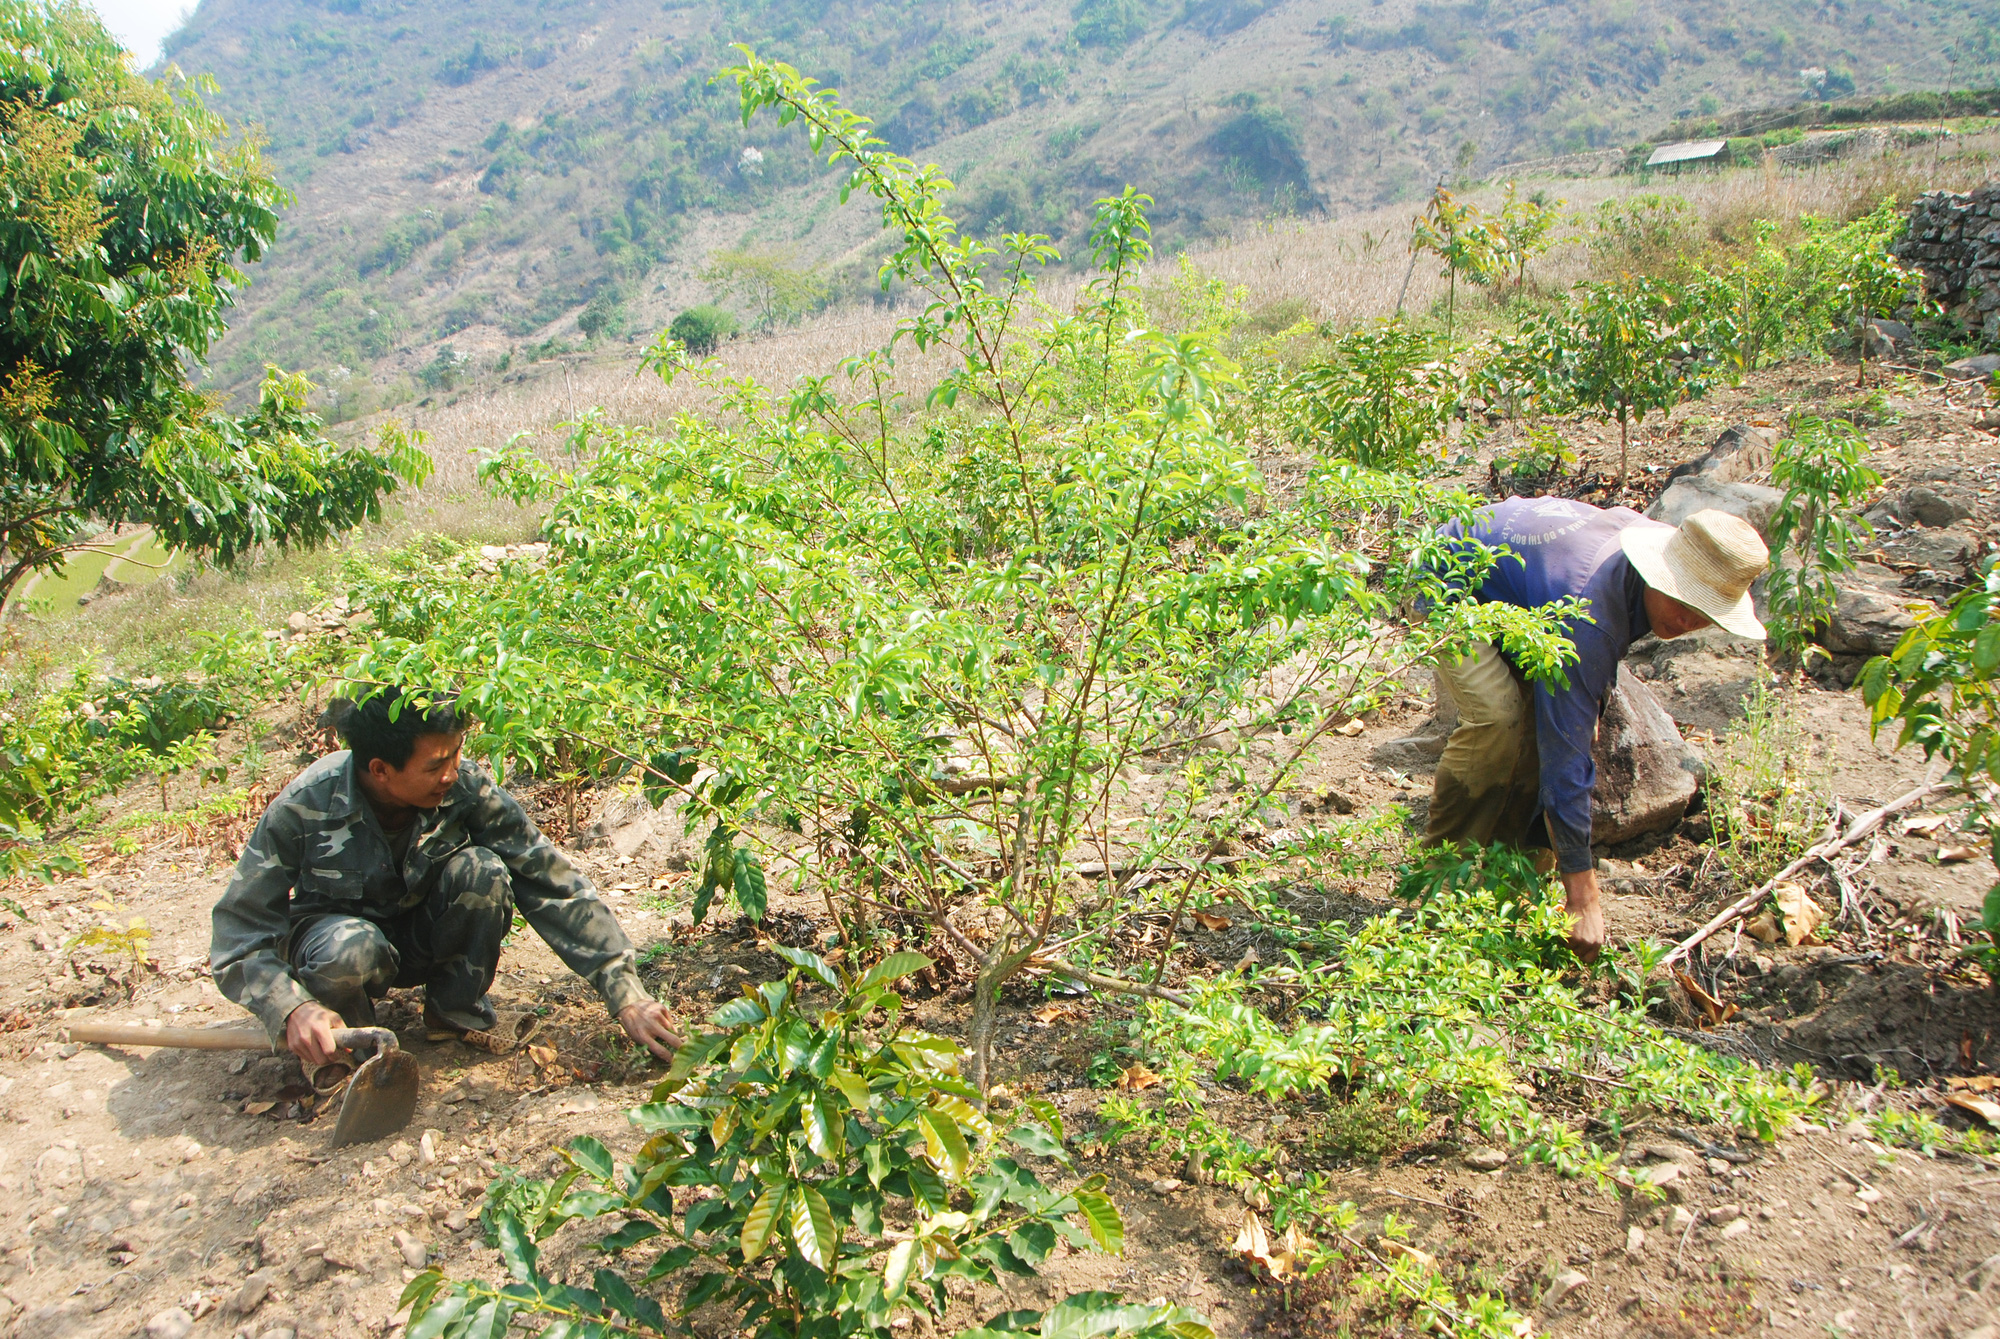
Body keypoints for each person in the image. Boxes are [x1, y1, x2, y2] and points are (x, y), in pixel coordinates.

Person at [211, 688, 683, 1068]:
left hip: (419, 934)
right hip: (338, 950)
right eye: (435, 765)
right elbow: (240, 933)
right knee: (349, 948)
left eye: (456, 754)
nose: (451, 774)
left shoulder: (463, 786)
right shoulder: (305, 805)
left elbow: (547, 877)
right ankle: (344, 1044)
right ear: (380, 770)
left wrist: (625, 993)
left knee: (484, 870)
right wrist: (290, 1006)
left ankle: (453, 1013)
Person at [1423, 500, 1771, 961]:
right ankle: (1437, 881)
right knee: (1501, 719)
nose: (1689, 621)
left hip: (1528, 601)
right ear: (1656, 573)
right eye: (1683, 600)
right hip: (1449, 577)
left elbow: (1573, 725)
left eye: (1705, 612)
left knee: (1552, 730)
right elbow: (1564, 758)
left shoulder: (1670, 559)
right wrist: (1584, 898)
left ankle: (1506, 888)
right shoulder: (1589, 610)